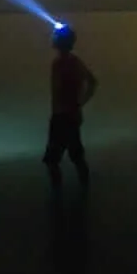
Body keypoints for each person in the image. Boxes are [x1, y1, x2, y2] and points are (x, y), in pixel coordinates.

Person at [43, 24, 98, 192]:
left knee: (53, 160)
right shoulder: (74, 62)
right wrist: (81, 102)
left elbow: (89, 83)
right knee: (77, 157)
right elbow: (92, 82)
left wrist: (78, 102)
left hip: (62, 117)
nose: (52, 37)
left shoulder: (60, 63)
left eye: (55, 36)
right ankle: (83, 193)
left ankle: (57, 198)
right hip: (72, 116)